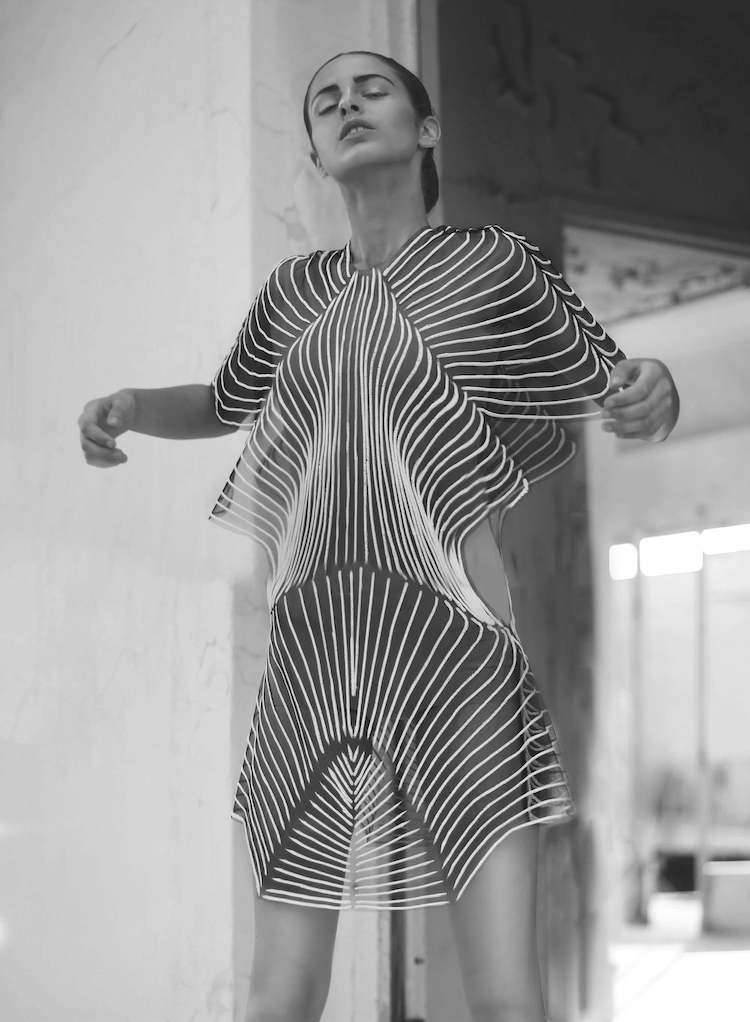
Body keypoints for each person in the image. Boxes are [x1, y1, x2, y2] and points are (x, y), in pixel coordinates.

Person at [77, 50, 679, 1022]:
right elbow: (226, 399)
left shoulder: (494, 265)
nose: (347, 104)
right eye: (325, 101)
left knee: (503, 993)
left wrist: (659, 390)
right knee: (276, 992)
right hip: (312, 653)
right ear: (315, 152)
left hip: (454, 647)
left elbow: (617, 381)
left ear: (427, 131)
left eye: (373, 90)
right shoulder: (293, 293)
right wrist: (132, 405)